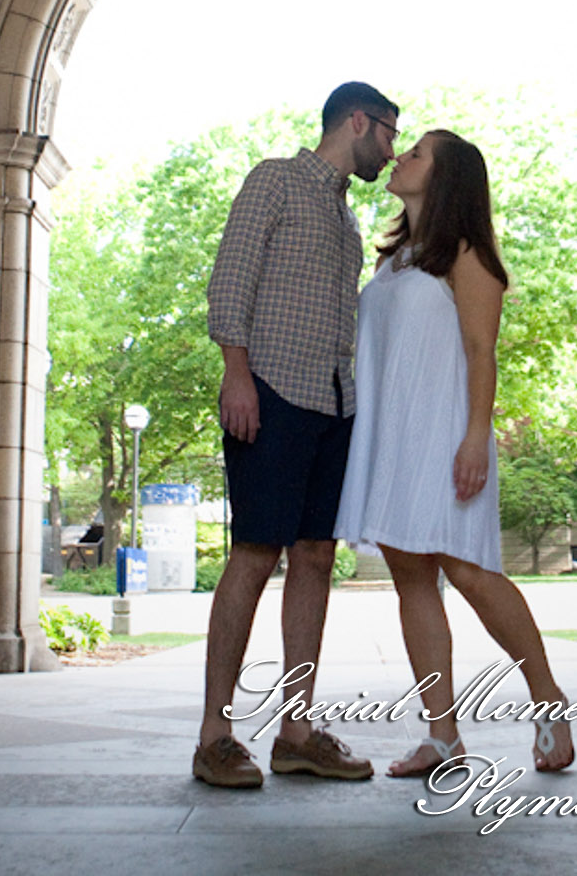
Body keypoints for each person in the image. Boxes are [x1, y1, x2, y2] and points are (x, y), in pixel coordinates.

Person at [334, 128, 576, 777]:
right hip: (393, 441)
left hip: (446, 436)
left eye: (416, 153)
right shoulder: (393, 259)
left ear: (444, 178)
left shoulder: (467, 254)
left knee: (469, 572)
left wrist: (475, 436)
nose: (399, 156)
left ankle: (547, 699)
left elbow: (480, 351)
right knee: (410, 578)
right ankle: (442, 737)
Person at [192, 81, 400, 789]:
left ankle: (297, 732)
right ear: (358, 121)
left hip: (335, 406)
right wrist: (236, 374)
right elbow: (231, 281)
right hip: (270, 392)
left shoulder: (346, 217)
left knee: (314, 556)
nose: (392, 152)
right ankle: (214, 735)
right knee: (254, 554)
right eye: (389, 134)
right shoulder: (274, 179)